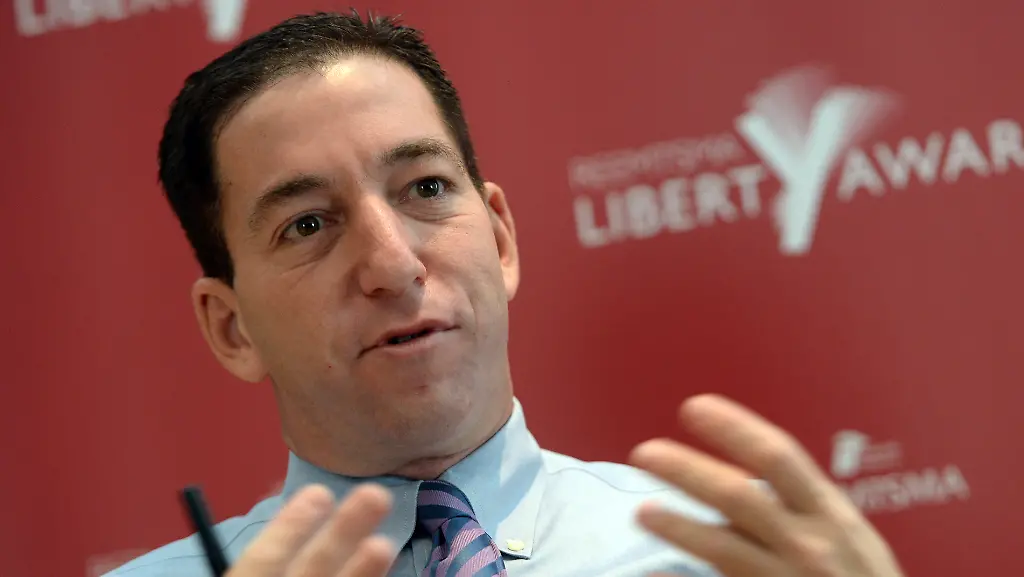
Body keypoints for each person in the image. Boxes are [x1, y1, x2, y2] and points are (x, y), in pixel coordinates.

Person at [106, 10, 906, 577]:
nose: (393, 264)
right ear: (232, 327)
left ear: (499, 239)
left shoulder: (748, 555)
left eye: (425, 186)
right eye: (308, 224)